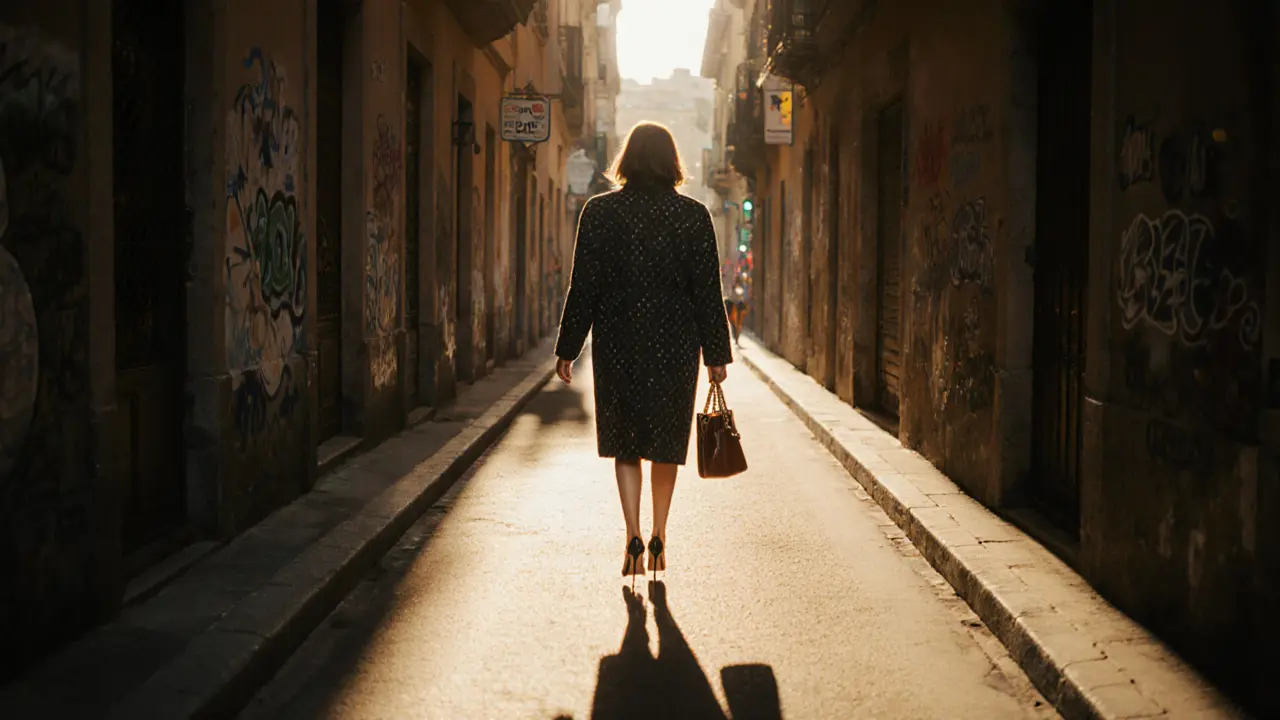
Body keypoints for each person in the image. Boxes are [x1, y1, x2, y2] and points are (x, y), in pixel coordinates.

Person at [554, 122, 733, 581]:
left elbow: (583, 287)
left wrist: (568, 347)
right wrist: (716, 355)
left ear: (627, 160)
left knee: (626, 443)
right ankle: (659, 535)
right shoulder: (693, 216)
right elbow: (707, 293)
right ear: (672, 161)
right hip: (676, 345)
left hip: (618, 341)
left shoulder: (599, 213)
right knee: (666, 445)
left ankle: (632, 534)